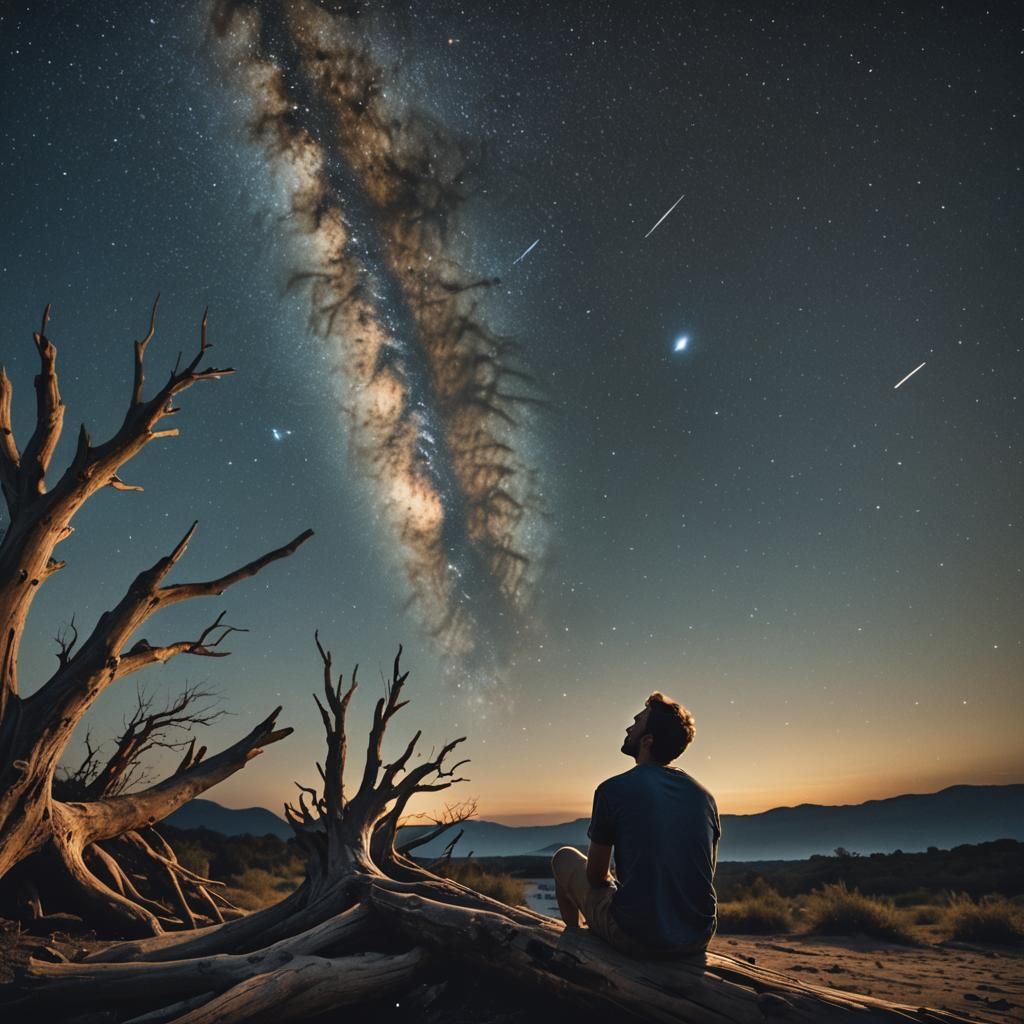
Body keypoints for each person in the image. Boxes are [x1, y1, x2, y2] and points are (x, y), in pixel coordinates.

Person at [551, 691, 721, 957]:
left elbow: (596, 877)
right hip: (699, 936)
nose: (629, 727)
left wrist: (613, 884)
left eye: (637, 721)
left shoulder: (613, 789)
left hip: (639, 938)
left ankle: (575, 947)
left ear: (647, 740)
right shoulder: (704, 796)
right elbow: (703, 876)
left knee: (563, 858)